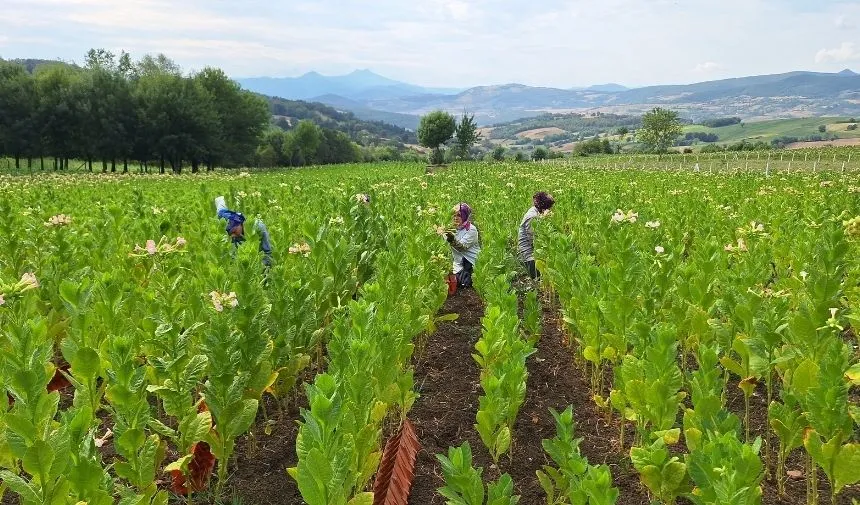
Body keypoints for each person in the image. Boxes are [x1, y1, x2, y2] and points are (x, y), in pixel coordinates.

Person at [214, 196, 272, 267]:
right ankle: (224, 199)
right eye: (229, 234)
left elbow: (268, 252)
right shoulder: (227, 224)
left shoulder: (258, 226)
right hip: (226, 214)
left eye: (233, 232)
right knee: (220, 208)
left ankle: (230, 199)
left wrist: (257, 266)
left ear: (240, 223)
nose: (232, 236)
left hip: (256, 264)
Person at [518, 191, 555, 280]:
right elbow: (534, 240)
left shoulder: (537, 214)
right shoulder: (532, 217)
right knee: (539, 278)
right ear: (544, 208)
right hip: (529, 257)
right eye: (550, 208)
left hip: (535, 255)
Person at [446, 203, 480, 289]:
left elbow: (461, 247)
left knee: (465, 282)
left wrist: (451, 239)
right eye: (454, 215)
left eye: (459, 215)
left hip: (471, 261)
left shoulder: (471, 229)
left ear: (465, 216)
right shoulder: (451, 229)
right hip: (458, 262)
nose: (455, 218)